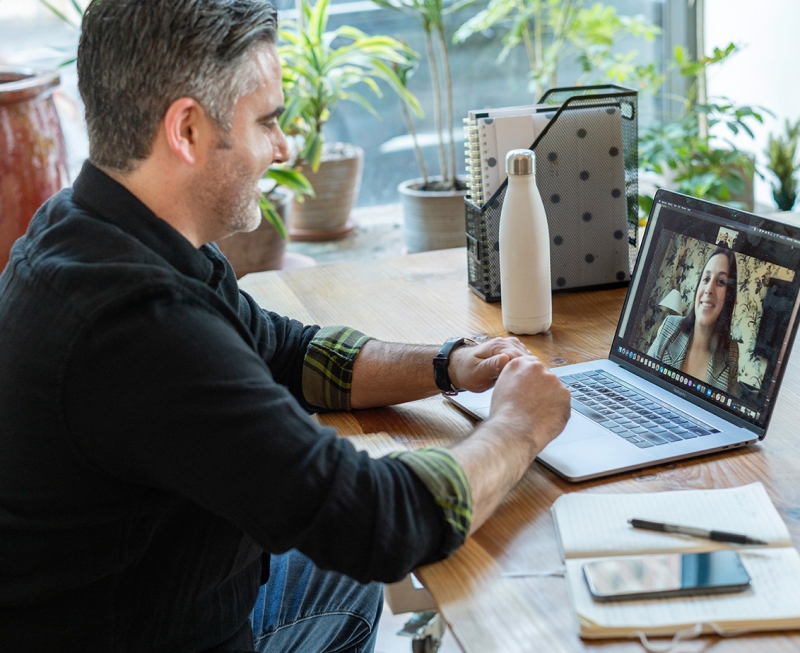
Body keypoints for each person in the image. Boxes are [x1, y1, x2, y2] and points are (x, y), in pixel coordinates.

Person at [0, 1, 571, 651]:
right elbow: (381, 522)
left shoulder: (89, 227)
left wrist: (447, 362)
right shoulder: (142, 329)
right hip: (149, 631)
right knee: (378, 549)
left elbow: (289, 351)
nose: (284, 146)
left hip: (149, 593)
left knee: (339, 565)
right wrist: (518, 426)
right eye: (267, 121)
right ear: (186, 130)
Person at [648, 247, 740, 394]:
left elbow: (725, 412)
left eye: (721, 282)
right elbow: (642, 379)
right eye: (706, 279)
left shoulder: (731, 353)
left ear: (728, 296)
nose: (709, 289)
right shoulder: (669, 327)